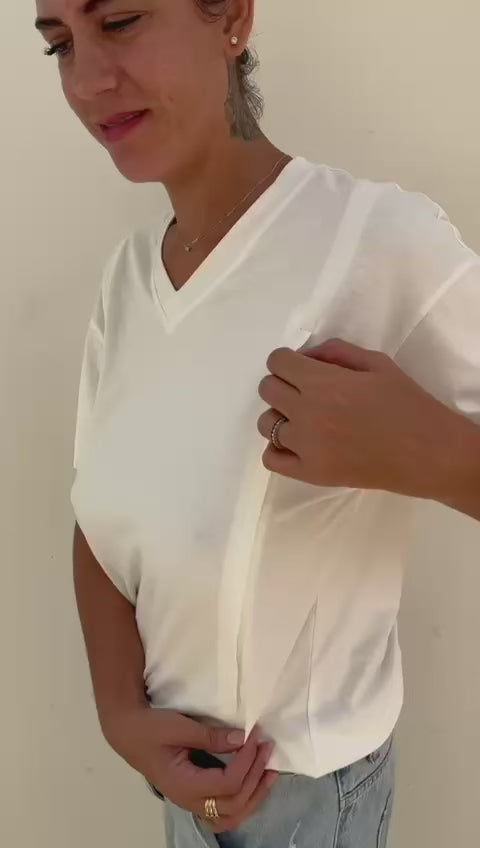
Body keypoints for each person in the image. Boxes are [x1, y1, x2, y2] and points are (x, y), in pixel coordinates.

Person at [35, 1, 480, 846]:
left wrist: (430, 455)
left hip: (313, 803)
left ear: (232, 17)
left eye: (119, 20)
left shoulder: (375, 241)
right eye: (58, 45)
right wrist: (121, 718)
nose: (87, 81)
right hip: (183, 795)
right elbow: (98, 524)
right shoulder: (128, 281)